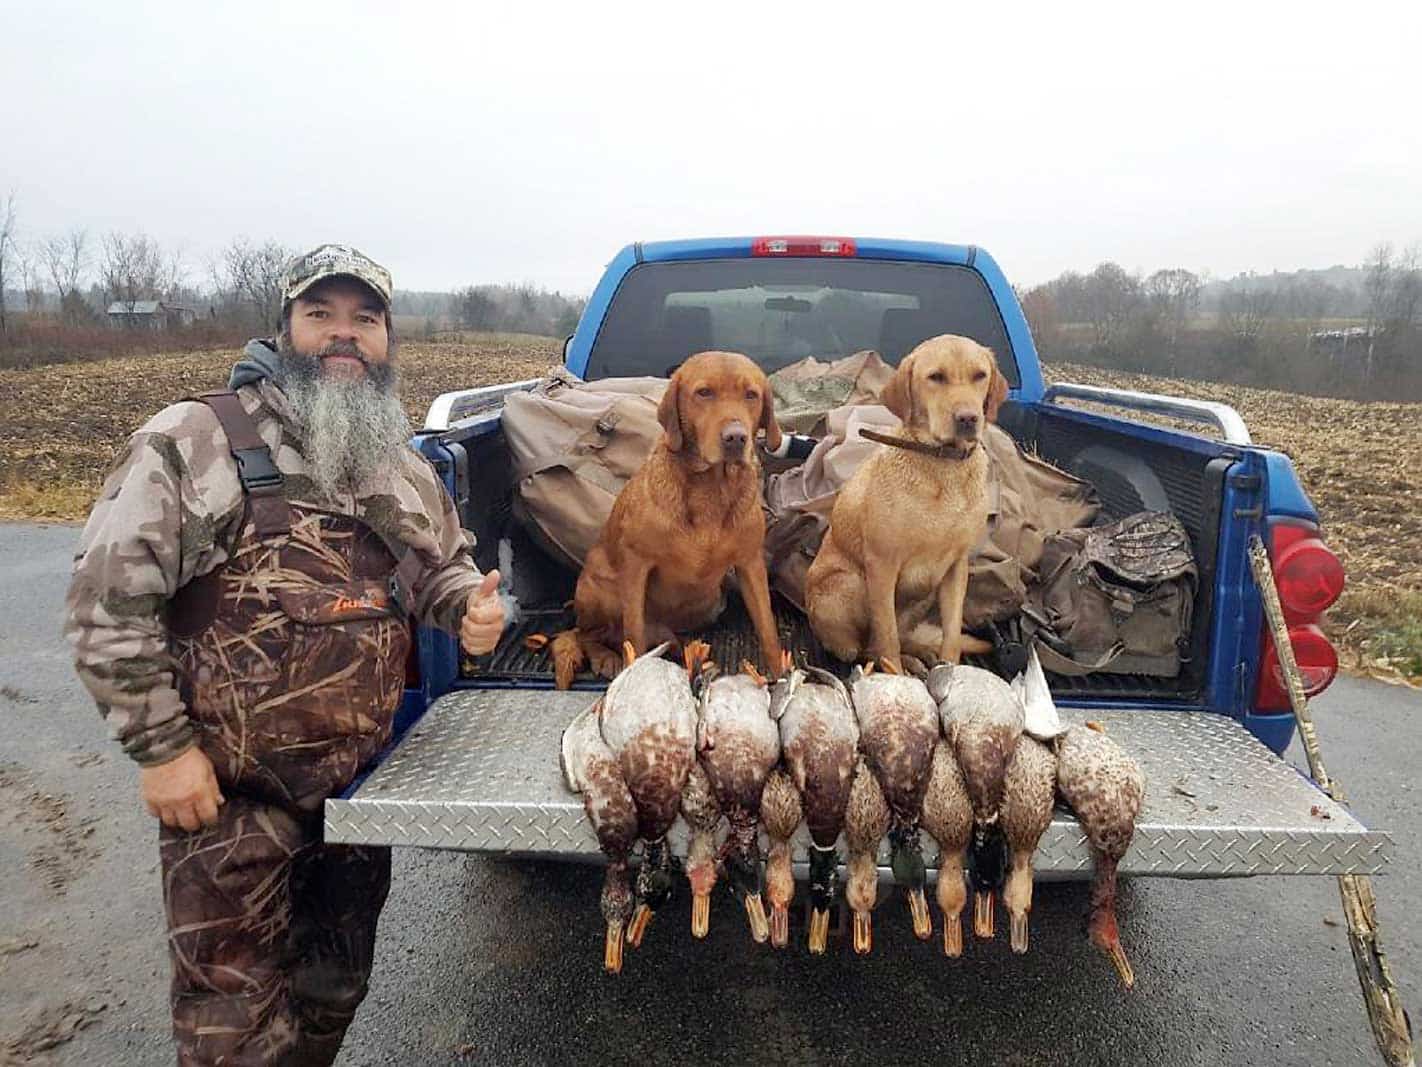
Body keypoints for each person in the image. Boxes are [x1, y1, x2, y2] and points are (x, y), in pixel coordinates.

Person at [63, 243, 506, 1066]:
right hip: (229, 802)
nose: (345, 334)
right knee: (231, 1029)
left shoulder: (396, 460)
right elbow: (106, 604)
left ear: (387, 338)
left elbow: (440, 567)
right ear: (284, 328)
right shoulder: (195, 439)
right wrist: (162, 751)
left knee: (333, 991)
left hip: (357, 796)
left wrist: (469, 609)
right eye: (321, 314)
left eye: (365, 318)